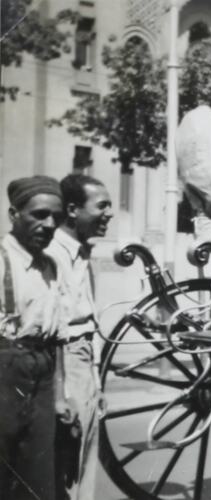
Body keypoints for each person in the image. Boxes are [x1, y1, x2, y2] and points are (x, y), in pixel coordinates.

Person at [0, 175, 66, 500]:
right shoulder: (1, 259)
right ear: (14, 215)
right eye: (38, 215)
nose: (49, 224)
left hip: (42, 370)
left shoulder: (50, 266)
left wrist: (61, 396)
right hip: (5, 369)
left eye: (56, 217)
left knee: (38, 475)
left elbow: (58, 336)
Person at [47, 173, 113, 500]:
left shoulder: (84, 254)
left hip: (85, 364)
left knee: (85, 463)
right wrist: (64, 393)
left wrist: (97, 383)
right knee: (66, 465)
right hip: (66, 362)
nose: (109, 213)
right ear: (73, 210)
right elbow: (57, 329)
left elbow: (91, 322)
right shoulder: (53, 255)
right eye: (101, 206)